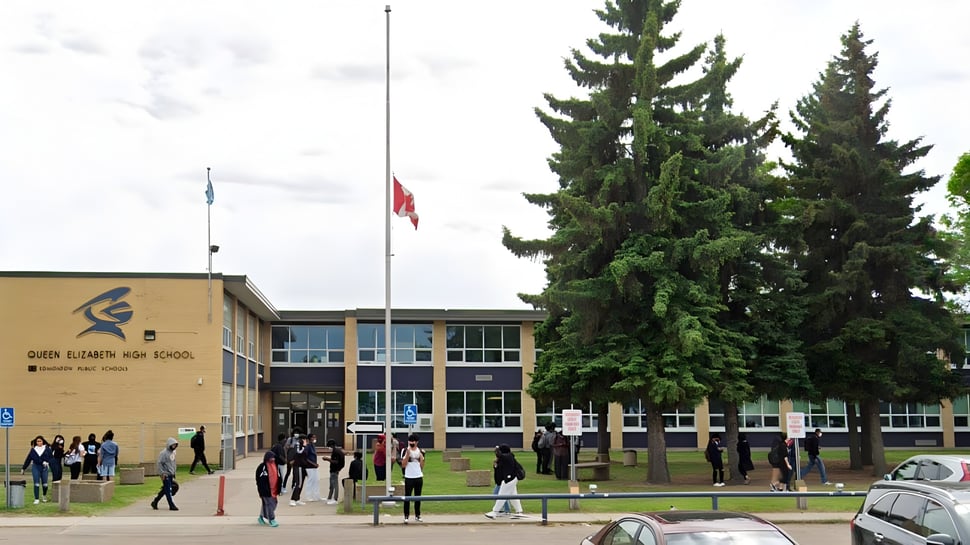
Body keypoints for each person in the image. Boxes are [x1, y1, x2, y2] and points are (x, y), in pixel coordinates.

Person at [485, 444, 524, 519]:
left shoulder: (508, 456)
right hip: (510, 479)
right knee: (513, 496)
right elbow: (499, 468)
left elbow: (501, 456)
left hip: (510, 479)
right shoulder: (505, 458)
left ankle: (495, 512)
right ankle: (519, 512)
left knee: (502, 495)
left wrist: (497, 450)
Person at [21, 435, 53, 504]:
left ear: (43, 441)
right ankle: (36, 499)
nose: (39, 442)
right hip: (36, 467)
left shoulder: (47, 449)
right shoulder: (33, 450)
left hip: (44, 467)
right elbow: (28, 459)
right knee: (36, 483)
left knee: (45, 484)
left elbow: (51, 458)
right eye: (37, 441)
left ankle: (44, 496)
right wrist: (23, 468)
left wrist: (47, 462)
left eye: (40, 441)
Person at [400, 433, 425, 523]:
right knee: (407, 496)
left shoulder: (421, 451)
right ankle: (406, 516)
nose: (411, 443)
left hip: (418, 476)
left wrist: (421, 458)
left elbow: (422, 466)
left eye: (413, 441)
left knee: (418, 497)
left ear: (416, 442)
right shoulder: (405, 450)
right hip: (409, 477)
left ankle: (417, 515)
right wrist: (408, 455)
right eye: (410, 441)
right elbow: (403, 465)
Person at [151, 437, 179, 511]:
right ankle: (171, 505)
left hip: (171, 473)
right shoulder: (163, 453)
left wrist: (174, 472)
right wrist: (162, 473)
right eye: (173, 445)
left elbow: (173, 463)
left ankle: (155, 501)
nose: (174, 446)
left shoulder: (173, 452)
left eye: (175, 445)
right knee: (168, 490)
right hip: (165, 474)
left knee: (166, 489)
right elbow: (159, 464)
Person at [256, 449, 282, 527]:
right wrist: (261, 490)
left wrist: (279, 488)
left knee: (272, 504)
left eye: (273, 457)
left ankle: (261, 517)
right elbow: (259, 479)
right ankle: (271, 519)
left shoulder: (275, 465)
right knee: (269, 504)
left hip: (274, 489)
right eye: (271, 457)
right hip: (266, 490)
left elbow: (279, 476)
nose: (273, 459)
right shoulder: (262, 467)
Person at [490, 445, 511, 516]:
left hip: (502, 480)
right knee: (500, 495)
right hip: (499, 480)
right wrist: (495, 465)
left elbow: (501, 470)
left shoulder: (504, 459)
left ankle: (505, 510)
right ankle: (506, 510)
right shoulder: (499, 459)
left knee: (497, 494)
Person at [323, 437, 345, 504]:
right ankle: (329, 498)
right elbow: (342, 463)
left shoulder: (336, 452)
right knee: (331, 485)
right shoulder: (339, 451)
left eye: (329, 446)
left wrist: (327, 459)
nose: (329, 448)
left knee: (335, 485)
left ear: (332, 445)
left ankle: (335, 499)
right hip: (335, 470)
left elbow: (336, 462)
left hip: (334, 470)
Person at [281, 427, 302, 493]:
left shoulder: (300, 440)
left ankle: (293, 485)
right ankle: (284, 486)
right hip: (290, 458)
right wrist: (286, 457)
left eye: (297, 433)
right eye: (295, 433)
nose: (296, 434)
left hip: (296, 458)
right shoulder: (290, 439)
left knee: (295, 473)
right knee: (288, 472)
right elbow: (285, 448)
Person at [288, 435, 307, 506]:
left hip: (302, 466)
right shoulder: (298, 445)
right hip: (298, 466)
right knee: (298, 483)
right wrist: (304, 447)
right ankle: (292, 499)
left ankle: (297, 498)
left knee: (300, 484)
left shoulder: (302, 446)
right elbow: (299, 452)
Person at [303, 433, 321, 502]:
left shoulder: (313, 445)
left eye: (315, 437)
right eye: (313, 437)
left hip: (314, 466)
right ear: (310, 438)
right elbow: (305, 457)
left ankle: (317, 496)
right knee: (310, 481)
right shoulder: (308, 446)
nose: (314, 439)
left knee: (316, 480)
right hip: (309, 467)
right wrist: (313, 464)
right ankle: (308, 496)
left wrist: (315, 464)